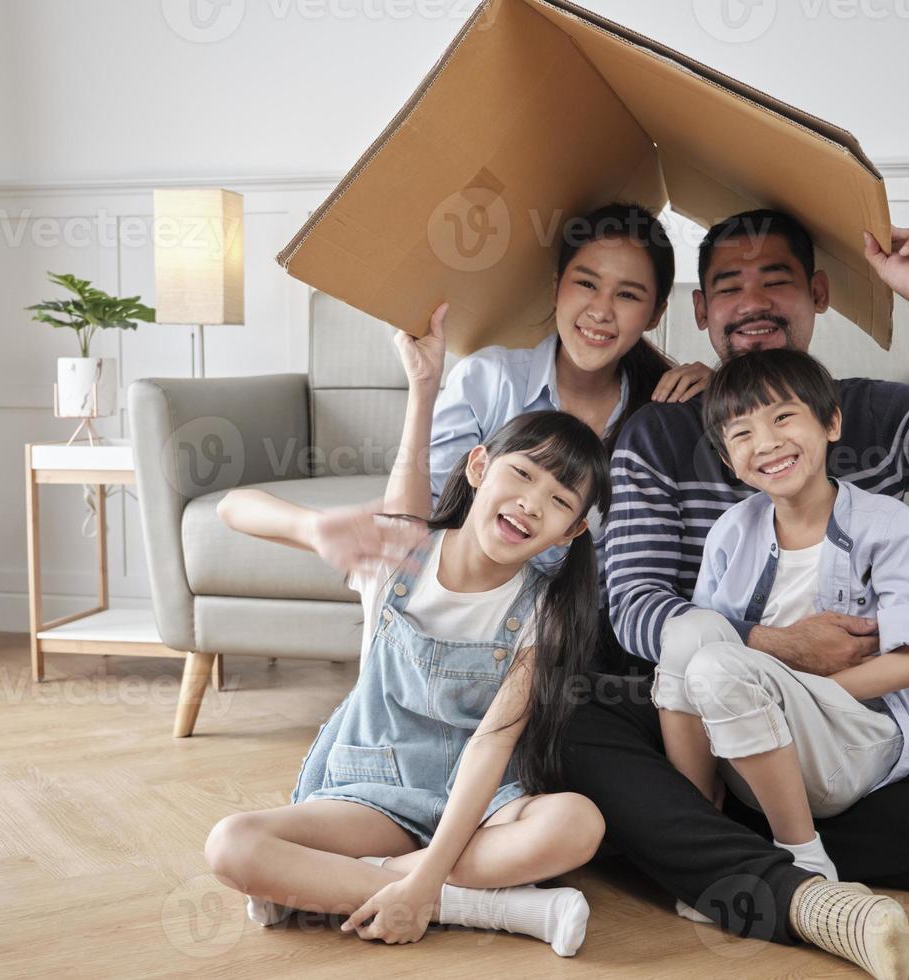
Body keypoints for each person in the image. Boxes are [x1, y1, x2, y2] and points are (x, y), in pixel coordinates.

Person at [560, 210, 909, 980]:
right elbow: (633, 603)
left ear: (818, 294)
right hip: (704, 696)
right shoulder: (660, 433)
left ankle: (686, 843)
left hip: (841, 717)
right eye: (729, 286)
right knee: (569, 719)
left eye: (778, 280)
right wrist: (775, 649)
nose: (753, 300)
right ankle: (795, 885)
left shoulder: (874, 414)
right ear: (702, 312)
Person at [203, 310, 612, 957]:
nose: (534, 502)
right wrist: (314, 528)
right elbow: (232, 506)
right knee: (232, 843)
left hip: (480, 805)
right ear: (479, 466)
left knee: (577, 824)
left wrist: (424, 875)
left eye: (562, 501)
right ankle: (503, 912)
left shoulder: (547, 610)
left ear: (571, 533)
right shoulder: (402, 553)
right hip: (372, 792)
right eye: (523, 473)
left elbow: (490, 747)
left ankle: (330, 888)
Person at [656, 348, 909, 979]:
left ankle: (806, 860)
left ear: (831, 424)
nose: (765, 443)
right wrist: (767, 686)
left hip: (852, 737)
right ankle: (704, 842)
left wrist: (799, 688)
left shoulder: (887, 525)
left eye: (782, 418)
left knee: (718, 666)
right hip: (753, 743)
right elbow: (704, 652)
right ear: (726, 458)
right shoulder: (732, 532)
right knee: (689, 632)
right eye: (741, 433)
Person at [428, 201, 711, 519]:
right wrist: (421, 387)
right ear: (556, 288)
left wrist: (723, 396)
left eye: (627, 295)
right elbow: (425, 512)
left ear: (656, 314)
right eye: (587, 284)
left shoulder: (664, 413)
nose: (600, 311)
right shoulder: (485, 380)